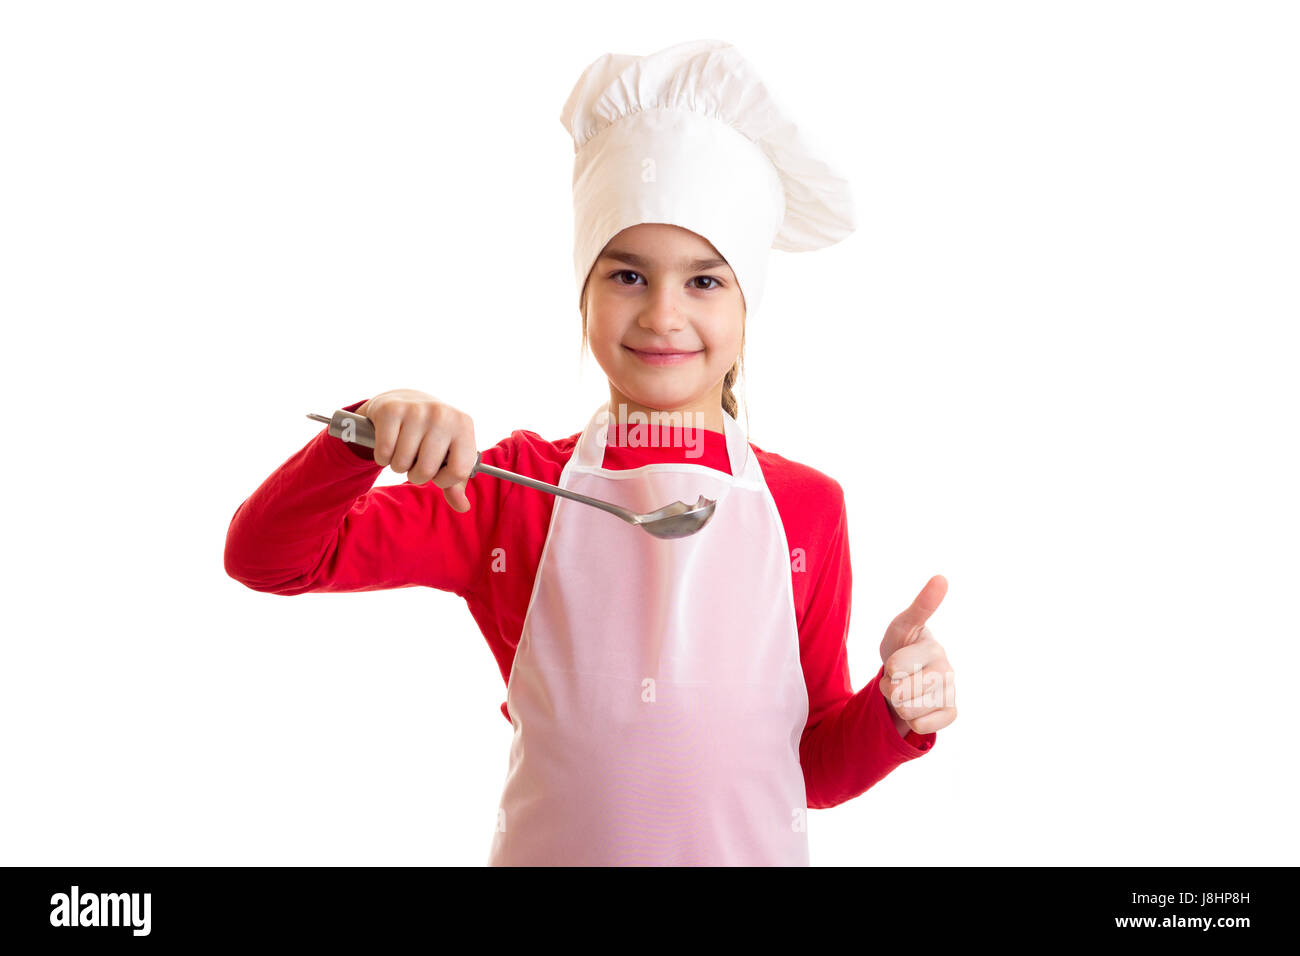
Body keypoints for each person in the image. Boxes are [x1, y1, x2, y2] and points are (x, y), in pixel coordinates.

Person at [224, 38, 957, 866]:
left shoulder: (809, 510)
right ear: (585, 290)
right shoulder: (509, 490)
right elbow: (269, 558)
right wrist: (362, 436)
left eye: (705, 281)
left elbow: (807, 769)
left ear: (748, 304)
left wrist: (895, 712)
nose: (664, 315)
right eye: (628, 276)